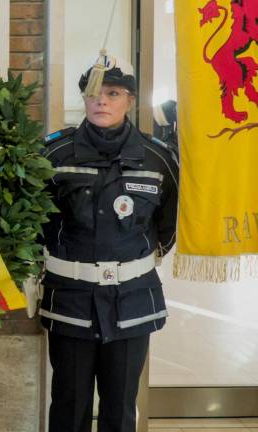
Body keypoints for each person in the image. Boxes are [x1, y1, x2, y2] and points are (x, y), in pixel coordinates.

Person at [39, 55, 178, 431]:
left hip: (132, 299)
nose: (101, 101)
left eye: (113, 93)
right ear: (83, 98)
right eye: (93, 93)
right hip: (70, 298)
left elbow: (169, 226)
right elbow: (37, 224)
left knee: (120, 408)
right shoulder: (53, 154)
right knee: (69, 405)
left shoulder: (157, 158)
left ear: (130, 100)